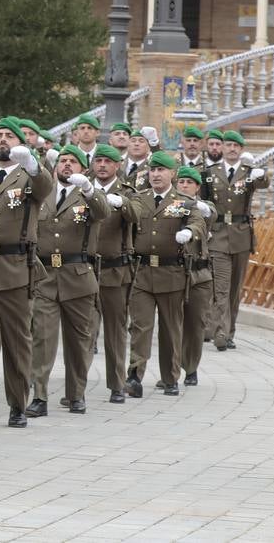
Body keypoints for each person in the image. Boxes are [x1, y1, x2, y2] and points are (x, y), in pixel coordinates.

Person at [0, 116, 50, 429]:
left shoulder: (28, 176)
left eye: (9, 136)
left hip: (17, 269)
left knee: (17, 341)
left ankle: (18, 403)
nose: (2, 140)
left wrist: (33, 166)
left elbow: (45, 187)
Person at [27, 146, 108, 417]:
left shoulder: (90, 194)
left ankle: (76, 394)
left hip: (77, 276)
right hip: (46, 276)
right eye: (63, 161)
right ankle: (39, 395)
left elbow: (103, 212)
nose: (67, 165)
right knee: (43, 339)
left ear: (83, 169)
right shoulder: (44, 194)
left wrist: (87, 189)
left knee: (78, 341)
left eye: (73, 161)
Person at [125, 151, 208, 397]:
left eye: (161, 170)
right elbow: (129, 214)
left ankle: (170, 377)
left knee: (171, 329)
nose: (156, 174)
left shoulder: (183, 200)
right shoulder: (140, 198)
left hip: (171, 272)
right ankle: (134, 375)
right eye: (152, 170)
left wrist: (190, 231)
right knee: (140, 327)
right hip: (142, 272)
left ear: (173, 173)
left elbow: (199, 221)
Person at [88, 143, 149, 403]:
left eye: (107, 162)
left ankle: (116, 383)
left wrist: (122, 202)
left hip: (114, 271)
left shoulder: (128, 192)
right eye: (98, 161)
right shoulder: (82, 189)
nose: (102, 165)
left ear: (117, 166)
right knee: (83, 331)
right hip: (84, 270)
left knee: (114, 331)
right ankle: (76, 387)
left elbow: (137, 215)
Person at [201, 131, 268, 351]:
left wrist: (259, 173)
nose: (231, 149)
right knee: (220, 286)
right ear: (222, 148)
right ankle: (220, 332)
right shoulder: (211, 172)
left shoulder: (248, 173)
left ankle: (229, 333)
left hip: (241, 236)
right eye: (228, 145)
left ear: (240, 150)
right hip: (218, 235)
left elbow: (263, 183)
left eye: (235, 146)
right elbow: (204, 198)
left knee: (234, 289)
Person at [175, 167, 217, 386]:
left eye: (188, 182)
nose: (183, 186)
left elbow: (211, 214)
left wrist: (193, 204)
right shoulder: (170, 206)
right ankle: (170, 370)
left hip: (199, 273)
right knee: (172, 323)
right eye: (180, 182)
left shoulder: (204, 206)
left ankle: (190, 368)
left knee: (195, 322)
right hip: (173, 272)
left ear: (197, 187)